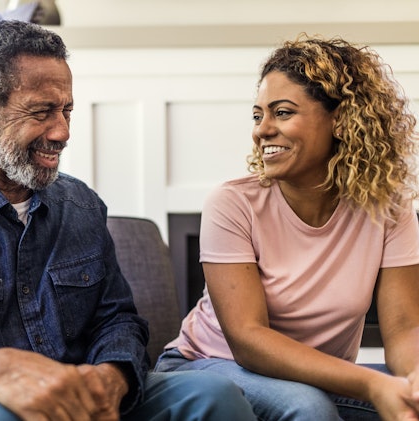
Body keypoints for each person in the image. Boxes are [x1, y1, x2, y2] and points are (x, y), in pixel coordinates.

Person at [0, 19, 256, 421]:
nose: (62, 132)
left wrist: (112, 375)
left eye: (67, 111)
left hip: (87, 405)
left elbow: (117, 320)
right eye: (42, 112)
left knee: (214, 396)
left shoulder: (83, 206)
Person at [155, 35, 419, 421]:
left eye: (282, 112)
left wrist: (413, 378)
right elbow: (248, 340)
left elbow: (404, 328)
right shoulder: (233, 203)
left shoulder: (389, 210)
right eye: (258, 115)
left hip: (316, 377)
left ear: (342, 121)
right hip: (208, 366)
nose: (262, 130)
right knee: (308, 407)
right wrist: (369, 383)